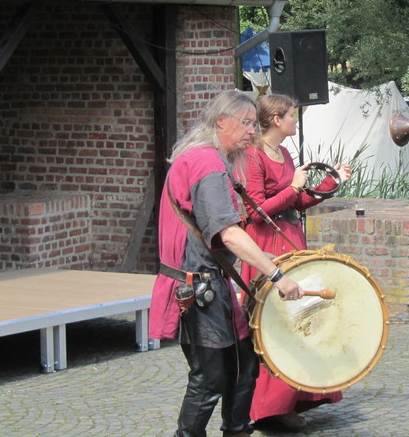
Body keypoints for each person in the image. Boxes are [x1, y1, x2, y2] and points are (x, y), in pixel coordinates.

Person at [149, 91, 305, 437]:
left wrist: (264, 259)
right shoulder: (206, 163)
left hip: (209, 283)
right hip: (197, 287)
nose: (252, 130)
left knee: (243, 367)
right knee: (210, 378)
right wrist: (277, 275)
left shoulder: (205, 159)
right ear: (221, 122)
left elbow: (219, 237)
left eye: (253, 123)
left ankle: (237, 431)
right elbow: (229, 234)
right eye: (245, 123)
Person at [241, 93, 351, 431]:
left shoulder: (284, 153)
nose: (295, 120)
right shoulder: (254, 156)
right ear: (276, 119)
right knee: (275, 324)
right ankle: (269, 407)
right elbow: (255, 211)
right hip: (266, 246)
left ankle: (295, 398)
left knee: (302, 318)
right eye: (291, 114)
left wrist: (332, 181)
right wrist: (291, 188)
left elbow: (297, 201)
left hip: (290, 240)